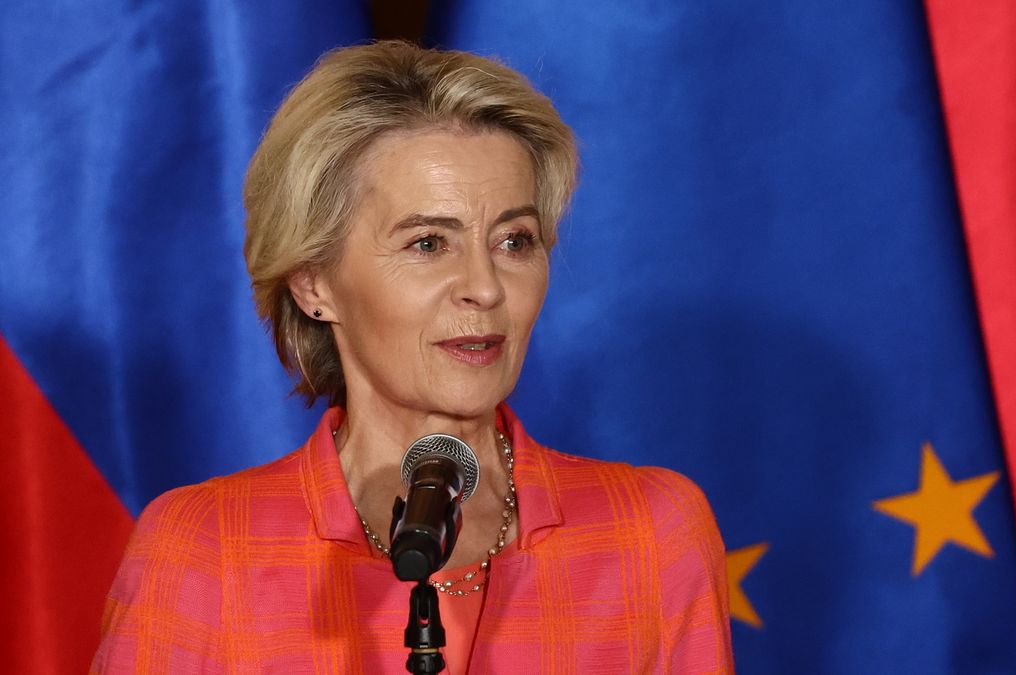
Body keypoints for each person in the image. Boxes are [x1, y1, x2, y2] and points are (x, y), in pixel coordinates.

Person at [92, 40, 732, 673]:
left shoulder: (652, 531)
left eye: (514, 240)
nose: (484, 287)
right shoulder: (205, 551)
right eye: (428, 242)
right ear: (314, 282)